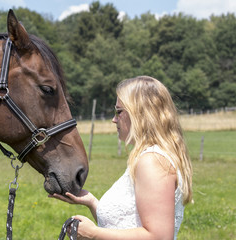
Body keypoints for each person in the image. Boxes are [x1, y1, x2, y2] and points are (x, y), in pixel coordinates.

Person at [51, 76, 193, 240]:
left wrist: (94, 234)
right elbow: (125, 226)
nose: (114, 119)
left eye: (119, 112)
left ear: (141, 114)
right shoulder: (149, 158)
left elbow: (158, 236)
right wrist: (91, 201)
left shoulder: (152, 161)